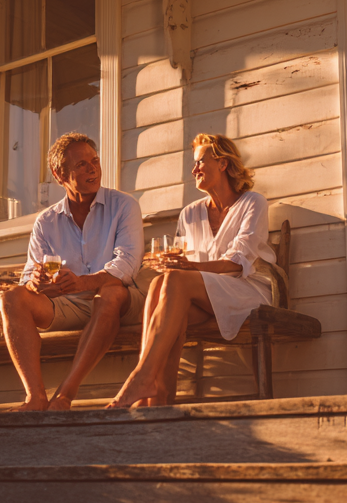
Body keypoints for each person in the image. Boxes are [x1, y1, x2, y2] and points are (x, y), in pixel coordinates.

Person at [108, 133, 275, 409]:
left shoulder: (252, 203)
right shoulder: (190, 213)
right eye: (193, 163)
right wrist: (171, 265)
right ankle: (159, 401)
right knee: (162, 285)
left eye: (200, 161)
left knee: (172, 281)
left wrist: (188, 269)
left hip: (247, 290)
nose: (194, 169)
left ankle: (141, 377)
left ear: (222, 163)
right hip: (204, 295)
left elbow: (237, 263)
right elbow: (181, 261)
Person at [0, 132, 145, 412]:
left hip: (122, 300)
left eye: (95, 161)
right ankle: (35, 398)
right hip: (69, 305)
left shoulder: (124, 205)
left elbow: (126, 265)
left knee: (111, 292)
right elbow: (30, 273)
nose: (92, 169)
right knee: (11, 298)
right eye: (82, 165)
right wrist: (36, 283)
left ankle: (65, 394)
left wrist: (81, 283)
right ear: (59, 174)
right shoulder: (46, 221)